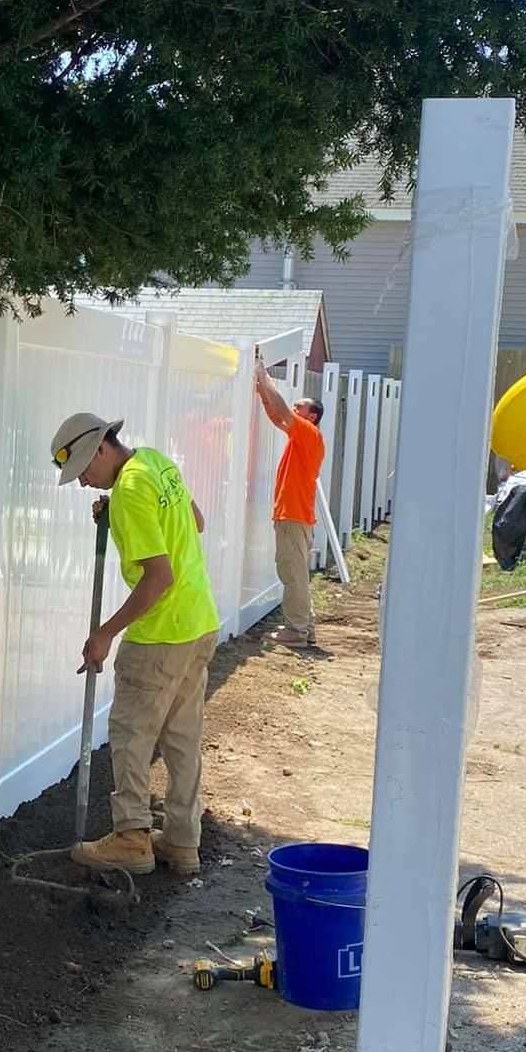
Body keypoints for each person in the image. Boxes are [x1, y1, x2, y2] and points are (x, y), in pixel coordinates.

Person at [49, 412, 219, 877]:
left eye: (84, 470)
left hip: (160, 635)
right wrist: (123, 515)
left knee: (130, 733)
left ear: (103, 448)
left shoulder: (127, 493)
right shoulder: (156, 463)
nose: (84, 483)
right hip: (199, 621)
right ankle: (182, 842)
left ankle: (131, 839)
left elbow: (158, 577)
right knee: (182, 738)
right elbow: (195, 522)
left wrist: (105, 633)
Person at [253, 354, 325, 647]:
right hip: (296, 516)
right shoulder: (302, 438)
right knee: (296, 574)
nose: (294, 409)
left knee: (292, 574)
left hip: (293, 516)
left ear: (312, 416)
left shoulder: (308, 434)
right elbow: (277, 415)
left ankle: (296, 631)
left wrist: (265, 377)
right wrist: (262, 393)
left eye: (300, 407)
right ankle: (304, 628)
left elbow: (283, 412)